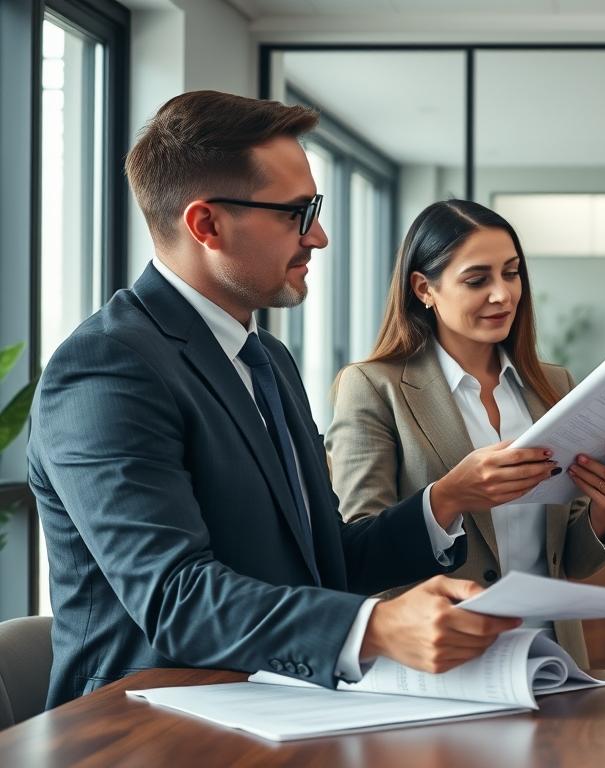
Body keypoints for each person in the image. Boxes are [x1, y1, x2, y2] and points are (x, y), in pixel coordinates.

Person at [27, 91, 518, 708]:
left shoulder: (268, 359)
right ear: (206, 224)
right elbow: (176, 597)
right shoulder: (107, 368)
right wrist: (376, 627)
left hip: (281, 706)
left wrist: (443, 502)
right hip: (144, 727)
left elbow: (321, 561)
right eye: (296, 213)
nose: (319, 236)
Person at [325, 200, 605, 667]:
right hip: (444, 664)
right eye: (477, 280)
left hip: (552, 658)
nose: (503, 294)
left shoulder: (554, 385)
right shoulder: (373, 387)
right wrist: (449, 496)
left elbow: (566, 561)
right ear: (424, 289)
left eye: (511, 274)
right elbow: (361, 550)